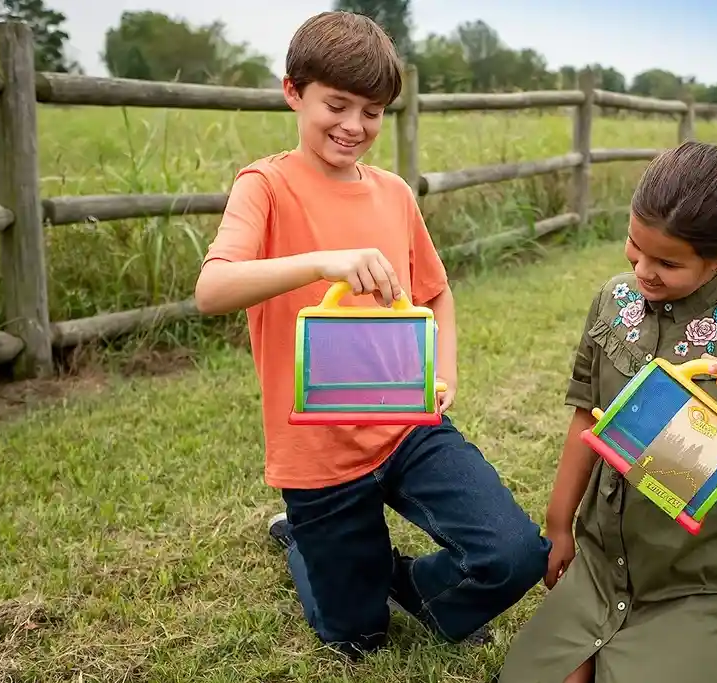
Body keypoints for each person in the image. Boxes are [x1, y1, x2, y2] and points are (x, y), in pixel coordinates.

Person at [194, 10, 550, 661]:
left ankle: (411, 581)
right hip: (316, 450)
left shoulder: (393, 194)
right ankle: (307, 540)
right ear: (293, 92)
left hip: (405, 421)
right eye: (337, 104)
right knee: (357, 639)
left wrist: (446, 373)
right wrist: (323, 262)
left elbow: (436, 290)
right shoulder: (264, 185)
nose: (354, 126)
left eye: (373, 111)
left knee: (515, 554)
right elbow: (212, 288)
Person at [495, 141, 717, 683]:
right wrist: (559, 524)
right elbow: (585, 416)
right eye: (634, 247)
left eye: (667, 262)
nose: (643, 269)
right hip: (601, 561)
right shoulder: (613, 301)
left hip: (695, 580)